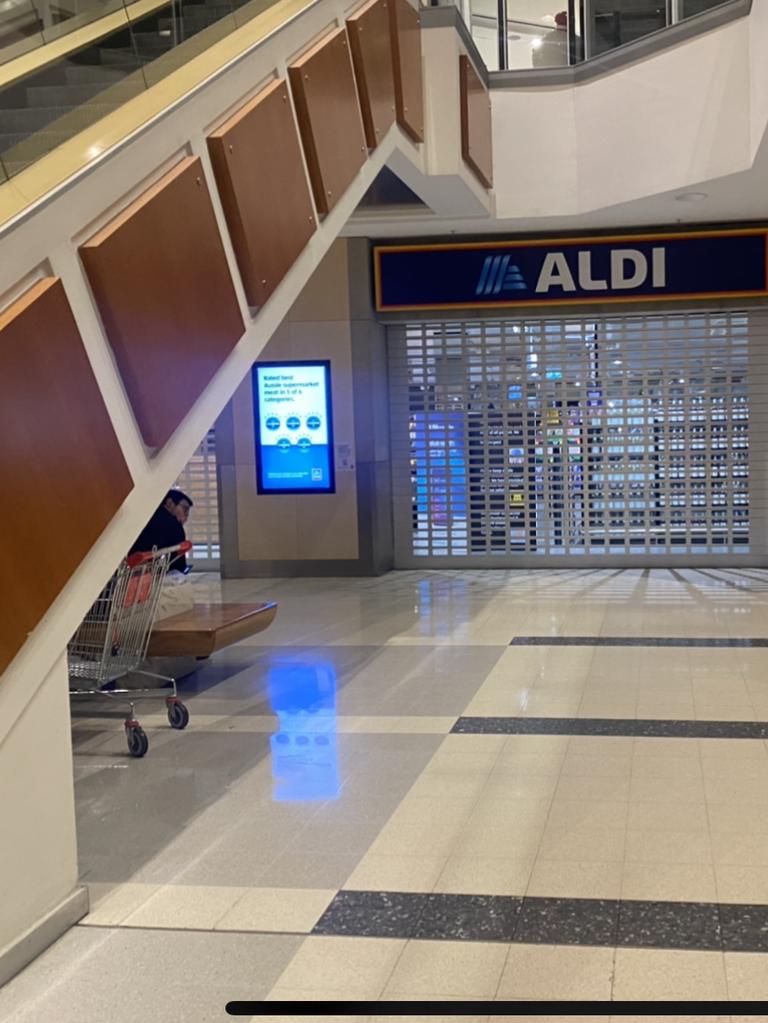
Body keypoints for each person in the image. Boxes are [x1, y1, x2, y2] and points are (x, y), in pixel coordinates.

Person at [129, 489, 193, 572]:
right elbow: (178, 567)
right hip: (140, 572)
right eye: (185, 509)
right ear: (169, 503)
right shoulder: (174, 526)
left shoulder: (145, 514)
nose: (187, 515)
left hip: (125, 567)